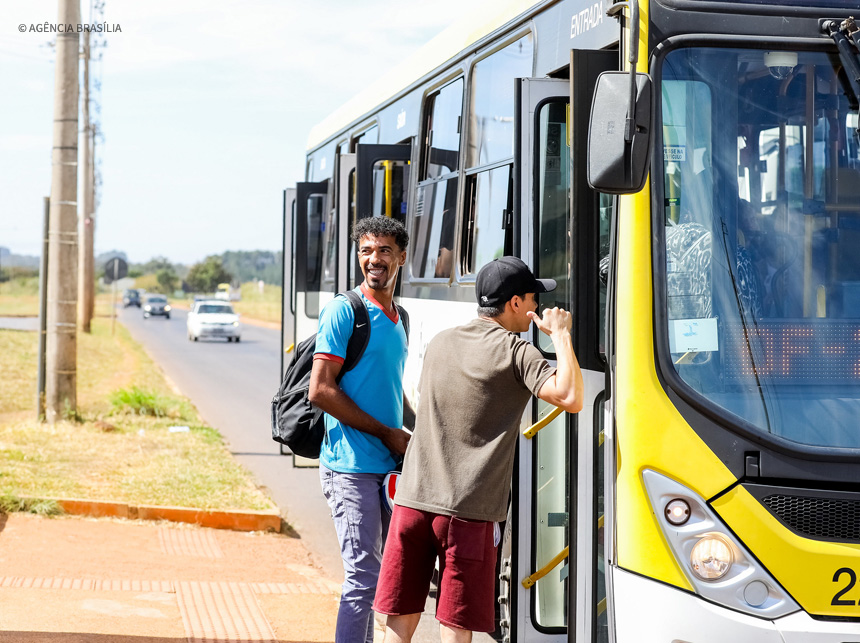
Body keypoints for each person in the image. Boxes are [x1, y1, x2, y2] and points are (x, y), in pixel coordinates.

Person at [373, 256, 584, 642]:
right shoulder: (517, 352)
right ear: (514, 303)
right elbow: (570, 396)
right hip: (466, 514)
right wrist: (562, 336)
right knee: (456, 624)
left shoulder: (441, 342)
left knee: (398, 622)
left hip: (412, 502)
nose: (537, 306)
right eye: (533, 297)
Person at [309, 216, 412, 643]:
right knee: (363, 579)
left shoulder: (399, 315)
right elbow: (321, 390)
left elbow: (389, 389)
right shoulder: (344, 310)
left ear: (401, 257)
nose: (375, 259)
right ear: (358, 256)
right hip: (349, 465)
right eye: (367, 250)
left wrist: (416, 432)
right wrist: (387, 434)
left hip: (389, 467)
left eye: (385, 251)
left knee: (391, 577)